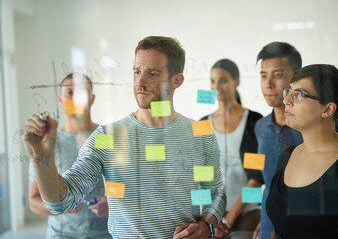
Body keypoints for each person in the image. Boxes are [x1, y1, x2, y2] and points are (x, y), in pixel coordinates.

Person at [23, 36, 226, 239]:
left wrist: (205, 226)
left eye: (152, 73)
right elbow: (60, 201)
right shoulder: (108, 136)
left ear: (176, 80)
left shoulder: (200, 133)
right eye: (136, 71)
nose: (140, 81)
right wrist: (41, 157)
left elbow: (214, 192)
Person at [253, 42, 338, 239]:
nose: (287, 100)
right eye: (289, 91)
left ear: (327, 109)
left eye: (299, 94)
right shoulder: (285, 154)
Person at [28, 72, 111, 239]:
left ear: (92, 98)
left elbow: (125, 185)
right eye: (69, 93)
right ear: (61, 99)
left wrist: (111, 202)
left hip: (104, 233)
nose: (75, 98)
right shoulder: (47, 143)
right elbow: (33, 201)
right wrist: (63, 206)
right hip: (61, 234)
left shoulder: (106, 138)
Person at [200, 59, 263, 238]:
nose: (217, 86)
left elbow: (258, 178)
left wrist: (230, 217)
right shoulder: (201, 124)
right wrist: (209, 215)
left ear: (237, 81)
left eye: (224, 80)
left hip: (248, 211)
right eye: (213, 81)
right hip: (212, 216)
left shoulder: (254, 121)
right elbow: (199, 176)